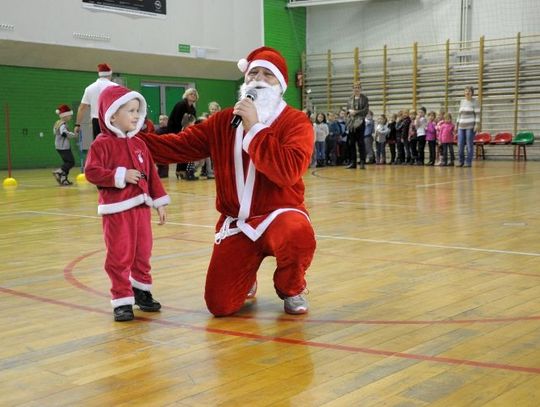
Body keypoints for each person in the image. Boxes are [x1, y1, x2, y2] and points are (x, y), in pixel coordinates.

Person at [139, 46, 316, 317]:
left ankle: (291, 287)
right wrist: (128, 141)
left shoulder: (296, 122)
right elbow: (178, 146)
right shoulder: (224, 120)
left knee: (297, 233)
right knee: (219, 305)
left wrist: (255, 128)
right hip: (238, 223)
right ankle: (247, 276)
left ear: (279, 85)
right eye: (253, 73)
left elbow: (287, 171)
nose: (258, 79)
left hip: (278, 216)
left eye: (267, 75)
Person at [84, 85, 170, 322]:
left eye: (137, 111)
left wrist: (159, 202)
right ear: (112, 115)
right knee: (119, 255)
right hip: (117, 212)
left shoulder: (140, 144)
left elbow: (151, 175)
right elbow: (91, 171)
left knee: (143, 252)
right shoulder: (101, 144)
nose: (136, 116)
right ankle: (122, 300)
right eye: (130, 111)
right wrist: (120, 175)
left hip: (141, 210)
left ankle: (141, 290)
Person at [74, 63, 118, 140]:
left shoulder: (90, 88)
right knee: (113, 145)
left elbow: (82, 108)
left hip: (96, 122)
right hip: (112, 119)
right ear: (110, 75)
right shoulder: (115, 87)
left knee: (99, 144)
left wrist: (77, 125)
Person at [167, 88, 198, 179]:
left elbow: (193, 121)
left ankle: (182, 170)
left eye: (194, 94)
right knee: (182, 151)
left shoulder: (192, 108)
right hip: (176, 130)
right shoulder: (181, 104)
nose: (193, 95)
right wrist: (180, 132)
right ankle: (180, 171)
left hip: (185, 131)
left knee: (185, 151)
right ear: (186, 95)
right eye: (191, 94)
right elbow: (176, 119)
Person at [345, 81, 369, 169]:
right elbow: (347, 110)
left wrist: (356, 112)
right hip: (351, 123)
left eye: (358, 87)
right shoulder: (350, 99)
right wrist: (349, 112)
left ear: (360, 88)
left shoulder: (364, 98)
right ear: (353, 89)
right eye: (355, 87)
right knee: (351, 143)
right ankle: (353, 162)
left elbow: (366, 110)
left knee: (361, 143)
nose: (356, 89)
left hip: (360, 122)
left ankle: (362, 162)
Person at [52, 104, 77, 185]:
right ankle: (59, 171)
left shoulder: (57, 123)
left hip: (59, 146)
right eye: (69, 115)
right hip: (63, 147)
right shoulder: (63, 124)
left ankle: (64, 179)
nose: (70, 117)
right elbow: (64, 133)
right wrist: (74, 135)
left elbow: (55, 132)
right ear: (65, 116)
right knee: (71, 162)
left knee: (67, 163)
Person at [456, 86, 480, 167]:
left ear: (472, 93)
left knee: (469, 145)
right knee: (460, 144)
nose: (467, 92)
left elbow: (477, 114)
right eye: (466, 91)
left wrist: (477, 124)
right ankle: (460, 161)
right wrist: (457, 125)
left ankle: (468, 162)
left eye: (469, 91)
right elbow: (459, 114)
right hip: (461, 126)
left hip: (470, 126)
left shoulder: (475, 102)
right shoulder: (462, 101)